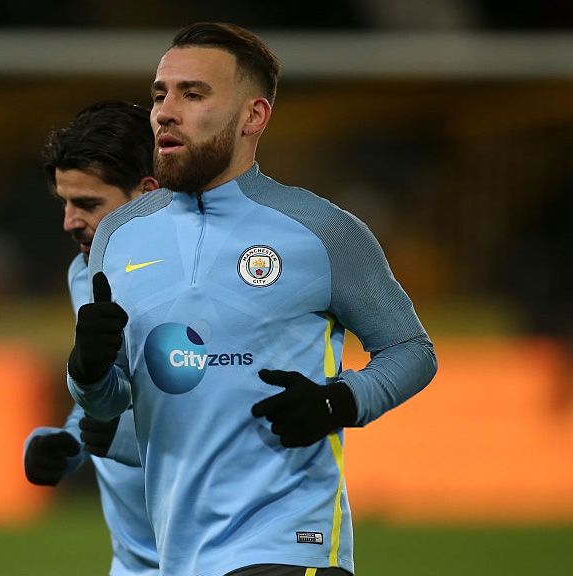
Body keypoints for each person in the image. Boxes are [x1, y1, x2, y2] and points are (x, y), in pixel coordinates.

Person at [66, 23, 437, 576]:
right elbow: (108, 404)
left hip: (289, 541)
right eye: (160, 94)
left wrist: (339, 401)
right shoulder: (120, 237)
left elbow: (411, 349)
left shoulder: (321, 231)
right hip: (178, 550)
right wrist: (89, 371)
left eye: (193, 94)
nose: (166, 111)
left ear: (253, 117)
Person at [23, 101, 160, 575]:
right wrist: (67, 440)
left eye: (87, 204)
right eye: (64, 201)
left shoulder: (211, 278)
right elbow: (110, 386)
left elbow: (221, 408)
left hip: (217, 552)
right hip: (135, 559)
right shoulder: (85, 273)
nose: (69, 221)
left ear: (147, 194)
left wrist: (124, 439)